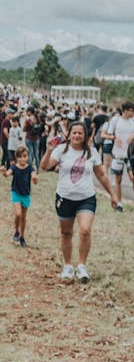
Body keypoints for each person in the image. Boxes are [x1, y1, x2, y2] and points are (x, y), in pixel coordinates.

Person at [40, 120, 117, 282]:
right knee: (66, 233)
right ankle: (68, 266)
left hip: (86, 199)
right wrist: (48, 151)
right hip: (64, 198)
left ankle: (82, 266)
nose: (76, 135)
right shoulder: (61, 150)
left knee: (85, 230)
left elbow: (101, 175)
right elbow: (45, 167)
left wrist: (112, 194)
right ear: (69, 134)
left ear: (85, 136)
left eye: (80, 133)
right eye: (73, 132)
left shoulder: (92, 152)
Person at [0, 144, 37, 246]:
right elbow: (7, 174)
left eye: (25, 156)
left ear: (28, 157)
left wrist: (35, 179)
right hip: (16, 193)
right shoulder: (14, 167)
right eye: (20, 157)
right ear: (17, 158)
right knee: (18, 214)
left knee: (24, 217)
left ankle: (22, 236)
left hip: (26, 195)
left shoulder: (30, 168)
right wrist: (3, 172)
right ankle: (16, 231)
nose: (22, 159)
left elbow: (34, 177)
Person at [106, 101, 134, 211]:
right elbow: (105, 134)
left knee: (132, 177)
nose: (132, 112)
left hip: (131, 154)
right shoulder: (115, 120)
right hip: (118, 153)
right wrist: (114, 138)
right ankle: (119, 203)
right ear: (125, 110)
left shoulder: (133, 121)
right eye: (131, 110)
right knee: (118, 179)